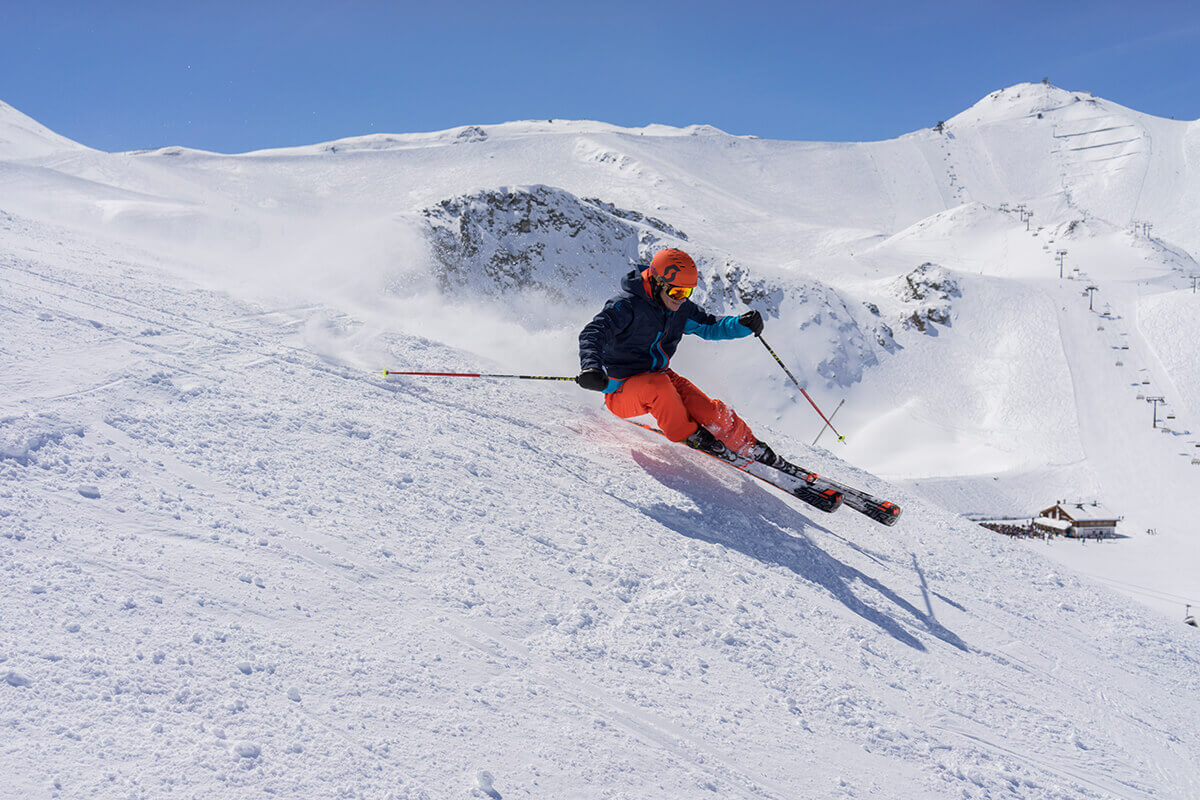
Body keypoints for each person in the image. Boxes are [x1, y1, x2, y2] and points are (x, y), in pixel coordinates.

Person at [576, 247, 781, 466]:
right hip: (620, 388)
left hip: (660, 375)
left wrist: (741, 325)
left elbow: (710, 326)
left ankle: (749, 445)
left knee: (707, 410)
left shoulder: (679, 309)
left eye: (688, 293)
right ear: (657, 283)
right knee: (659, 387)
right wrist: (591, 368)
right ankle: (691, 435)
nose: (681, 299)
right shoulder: (627, 306)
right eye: (677, 293)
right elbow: (593, 333)